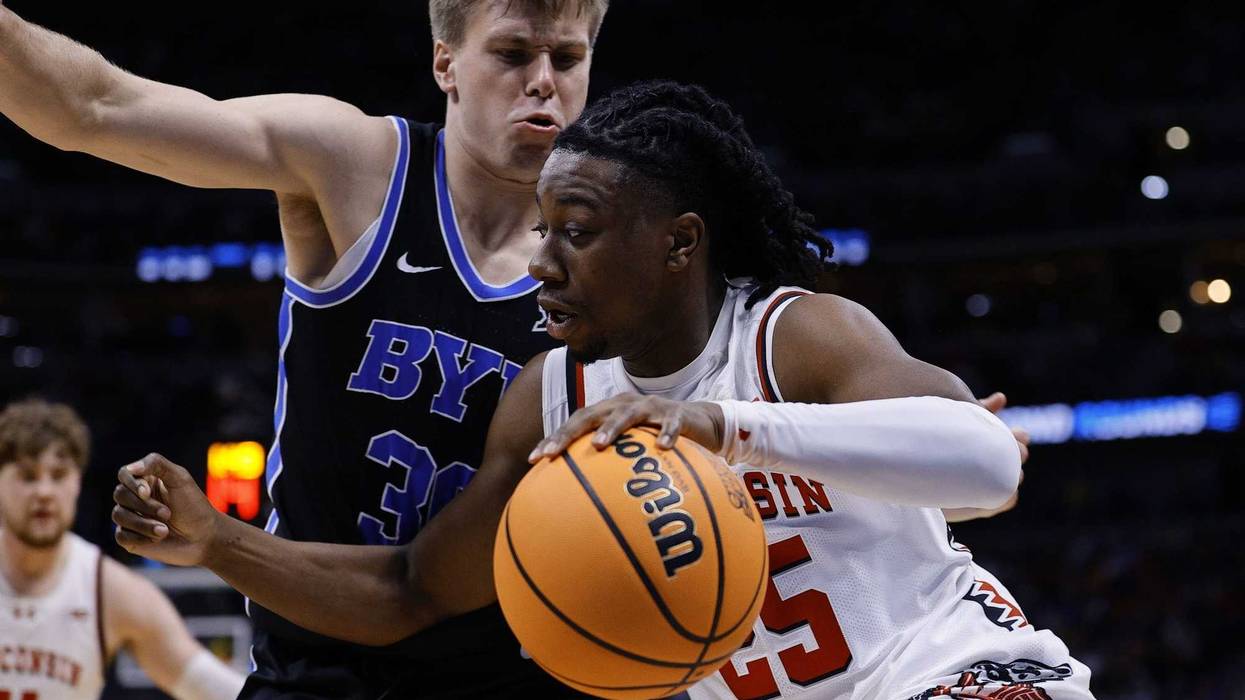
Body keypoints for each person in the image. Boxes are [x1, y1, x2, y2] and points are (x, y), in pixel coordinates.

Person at [111, 80, 1077, 698]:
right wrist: (218, 542)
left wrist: (721, 428)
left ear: (676, 246)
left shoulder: (792, 334)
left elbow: (987, 463)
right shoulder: (550, 400)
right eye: (543, 230)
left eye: (576, 231)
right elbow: (413, 589)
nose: (542, 261)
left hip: (954, 674)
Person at [0, 0, 607, 695]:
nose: (541, 81)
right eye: (510, 54)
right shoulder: (357, 166)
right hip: (314, 667)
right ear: (446, 63)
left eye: (565, 59)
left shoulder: (608, 266)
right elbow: (90, 107)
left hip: (508, 670)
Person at [0, 398, 244, 700]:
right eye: (28, 476)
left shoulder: (109, 589)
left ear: (77, 482)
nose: (44, 492)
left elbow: (212, 687)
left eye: (59, 475)